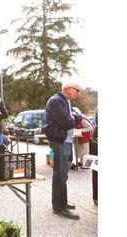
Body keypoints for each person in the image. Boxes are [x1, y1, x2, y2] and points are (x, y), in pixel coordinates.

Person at [42, 81, 83, 220]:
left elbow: (70, 119)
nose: (78, 92)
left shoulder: (64, 101)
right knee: (60, 174)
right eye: (77, 90)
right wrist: (78, 116)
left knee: (62, 174)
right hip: (60, 141)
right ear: (68, 89)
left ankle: (61, 202)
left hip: (64, 140)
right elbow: (67, 122)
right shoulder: (56, 101)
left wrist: (74, 116)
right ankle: (59, 207)